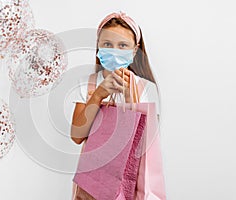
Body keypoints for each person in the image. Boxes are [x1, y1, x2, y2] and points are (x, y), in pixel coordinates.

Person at [71, 11, 166, 199]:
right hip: (94, 180)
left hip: (131, 177)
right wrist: (99, 94)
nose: (114, 51)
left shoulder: (146, 88)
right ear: (98, 45)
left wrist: (131, 98)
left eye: (122, 45)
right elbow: (77, 136)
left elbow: (147, 142)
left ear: (134, 50)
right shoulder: (87, 84)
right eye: (108, 44)